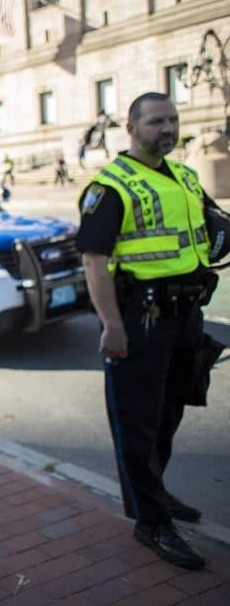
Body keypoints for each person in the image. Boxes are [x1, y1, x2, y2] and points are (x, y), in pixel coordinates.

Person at [77, 92, 222, 571]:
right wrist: (111, 328)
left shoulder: (183, 175)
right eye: (156, 120)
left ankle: (155, 493)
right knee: (138, 423)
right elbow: (94, 263)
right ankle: (151, 522)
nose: (167, 128)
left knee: (170, 413)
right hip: (141, 319)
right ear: (132, 127)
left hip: (186, 315)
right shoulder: (111, 186)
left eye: (173, 119)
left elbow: (207, 226)